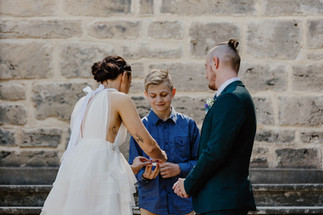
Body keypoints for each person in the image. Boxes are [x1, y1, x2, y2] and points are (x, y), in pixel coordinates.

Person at [41, 55, 167, 215]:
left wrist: (132, 168)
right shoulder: (120, 99)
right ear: (125, 76)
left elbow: (93, 152)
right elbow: (147, 145)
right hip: (102, 182)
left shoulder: (82, 102)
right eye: (130, 81)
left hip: (74, 177)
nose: (129, 86)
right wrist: (162, 157)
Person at [173, 39, 257, 215]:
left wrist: (188, 184)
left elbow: (215, 152)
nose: (205, 74)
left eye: (206, 67)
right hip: (221, 201)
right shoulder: (234, 95)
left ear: (215, 63)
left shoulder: (231, 99)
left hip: (221, 202)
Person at [129, 69, 200, 215]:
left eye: (164, 95)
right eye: (153, 96)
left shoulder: (188, 125)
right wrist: (144, 176)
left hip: (184, 204)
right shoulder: (140, 128)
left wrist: (179, 168)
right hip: (151, 205)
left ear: (173, 93)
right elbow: (133, 167)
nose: (159, 100)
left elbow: (201, 162)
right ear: (146, 96)